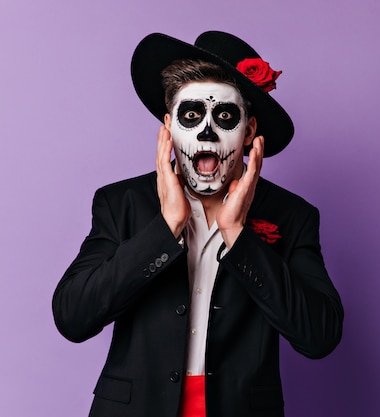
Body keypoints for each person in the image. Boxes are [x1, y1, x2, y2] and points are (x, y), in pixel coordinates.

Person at [52, 31, 344, 417]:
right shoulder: (121, 203)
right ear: (169, 127)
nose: (206, 132)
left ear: (250, 131)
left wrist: (238, 234)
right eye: (192, 116)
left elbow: (319, 336)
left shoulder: (292, 215)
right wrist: (166, 226)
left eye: (225, 117)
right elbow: (73, 317)